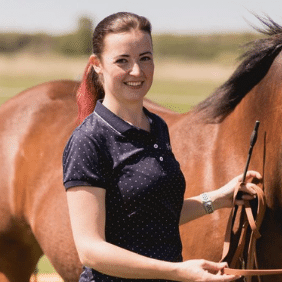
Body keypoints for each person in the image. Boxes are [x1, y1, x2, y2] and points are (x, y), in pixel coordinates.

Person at [63, 12, 262, 282]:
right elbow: (91, 251)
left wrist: (217, 199)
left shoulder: (156, 126)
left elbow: (154, 216)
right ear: (96, 65)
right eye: (123, 60)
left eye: (145, 58)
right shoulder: (89, 140)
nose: (137, 71)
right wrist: (177, 271)